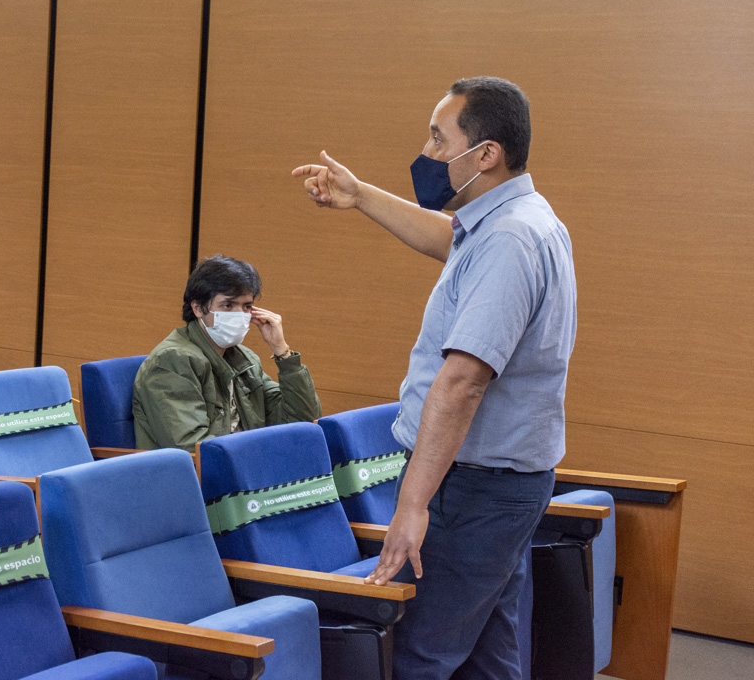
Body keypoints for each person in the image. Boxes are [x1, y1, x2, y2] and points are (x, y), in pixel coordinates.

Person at [292, 77, 576, 680]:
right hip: (502, 484)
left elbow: (462, 381)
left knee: (424, 655)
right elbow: (447, 238)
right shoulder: (517, 217)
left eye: (439, 138)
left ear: (487, 153)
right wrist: (360, 194)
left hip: (473, 488)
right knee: (486, 656)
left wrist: (413, 504)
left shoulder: (508, 239)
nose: (428, 151)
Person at [131, 255, 322, 450]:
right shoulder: (173, 361)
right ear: (198, 308)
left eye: (247, 306)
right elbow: (192, 446)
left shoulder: (244, 359)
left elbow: (303, 421)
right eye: (228, 305)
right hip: (199, 476)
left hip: (243, 465)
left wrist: (282, 351)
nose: (239, 315)